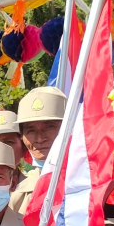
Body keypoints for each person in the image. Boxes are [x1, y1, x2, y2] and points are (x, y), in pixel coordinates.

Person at [13, 86, 66, 214]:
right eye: (30, 130)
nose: (40, 138)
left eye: (50, 127)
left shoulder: (91, 184)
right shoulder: (18, 198)